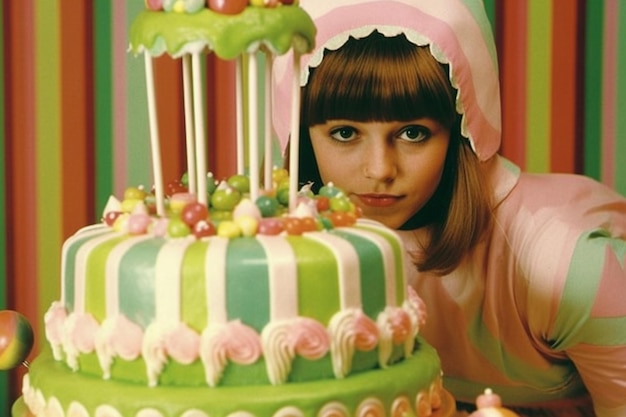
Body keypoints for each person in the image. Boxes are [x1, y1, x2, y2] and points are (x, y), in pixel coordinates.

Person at [272, 1, 626, 416]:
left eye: (412, 132)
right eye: (345, 133)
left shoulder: (562, 262)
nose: (380, 170)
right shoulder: (291, 251)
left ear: (463, 129)